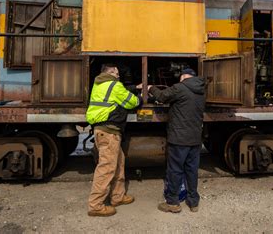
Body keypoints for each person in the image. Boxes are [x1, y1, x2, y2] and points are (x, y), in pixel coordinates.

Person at [86, 63, 140, 217]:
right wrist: (140, 97)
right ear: (110, 73)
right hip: (109, 132)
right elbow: (132, 102)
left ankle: (117, 197)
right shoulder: (114, 85)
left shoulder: (99, 84)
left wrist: (134, 87)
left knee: (119, 163)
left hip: (104, 130)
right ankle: (95, 205)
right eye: (116, 73)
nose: (119, 76)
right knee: (107, 168)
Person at [148, 68, 205, 213]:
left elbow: (161, 96)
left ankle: (172, 202)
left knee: (175, 170)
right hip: (195, 138)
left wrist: (150, 88)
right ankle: (193, 202)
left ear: (183, 77)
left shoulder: (180, 88)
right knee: (192, 170)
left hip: (179, 138)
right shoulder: (201, 90)